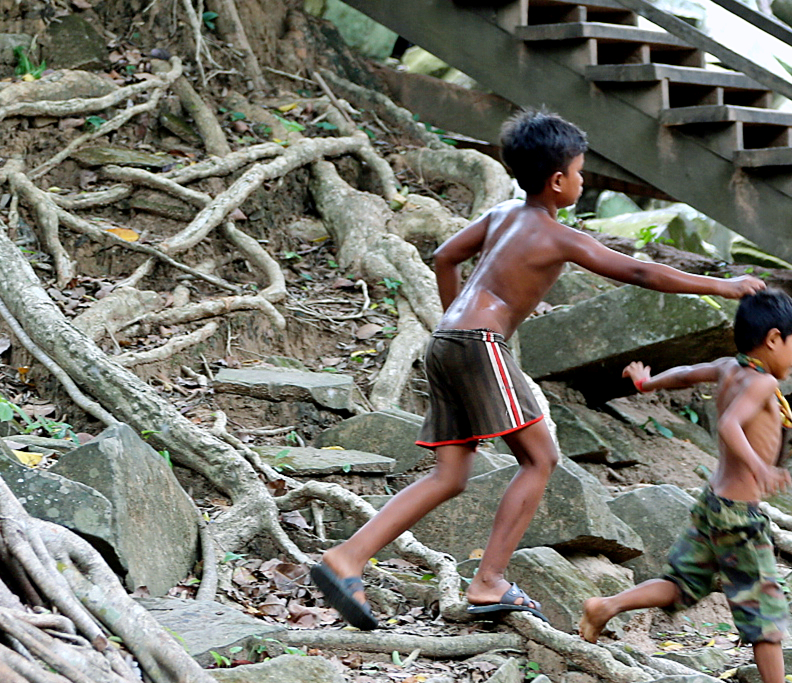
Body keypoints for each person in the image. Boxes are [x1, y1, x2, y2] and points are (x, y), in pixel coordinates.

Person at [308, 109, 765, 630]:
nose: (583, 179)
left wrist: (457, 318)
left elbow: (443, 257)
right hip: (480, 344)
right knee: (540, 458)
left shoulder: (502, 215)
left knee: (451, 474)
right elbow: (640, 270)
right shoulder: (556, 236)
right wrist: (723, 287)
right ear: (557, 180)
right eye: (580, 171)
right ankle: (488, 582)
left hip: (447, 340)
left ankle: (347, 557)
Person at [577, 288, 792, 683]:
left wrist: (649, 382)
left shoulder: (728, 367)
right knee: (765, 615)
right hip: (740, 515)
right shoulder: (762, 381)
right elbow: (728, 425)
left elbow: (685, 373)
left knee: (681, 585)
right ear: (774, 339)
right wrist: (760, 468)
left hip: (712, 506)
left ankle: (605, 606)